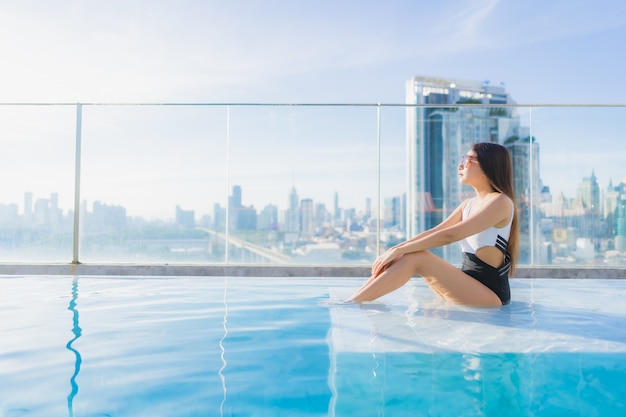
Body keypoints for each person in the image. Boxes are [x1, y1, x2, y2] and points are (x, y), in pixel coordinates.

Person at [349, 142, 518, 306]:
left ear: (488, 166)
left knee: (415, 256)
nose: (460, 166)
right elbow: (435, 231)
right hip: (468, 285)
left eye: (467, 160)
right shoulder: (468, 204)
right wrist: (396, 250)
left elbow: (449, 235)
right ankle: (354, 299)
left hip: (490, 293)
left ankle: (352, 303)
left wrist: (399, 249)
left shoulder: (501, 202)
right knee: (407, 253)